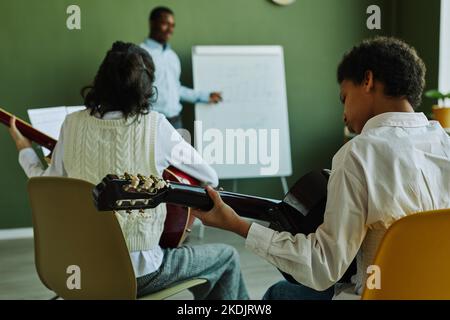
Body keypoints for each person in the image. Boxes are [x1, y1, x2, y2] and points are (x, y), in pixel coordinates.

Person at [191, 37, 450, 299]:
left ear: (368, 81)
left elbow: (322, 266)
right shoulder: (446, 144)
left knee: (278, 294)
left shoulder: (359, 153)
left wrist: (238, 225)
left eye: (344, 97)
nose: (344, 115)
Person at [9, 41, 248, 300]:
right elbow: (210, 178)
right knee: (226, 258)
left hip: (76, 266)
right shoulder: (155, 126)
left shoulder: (72, 124)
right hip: (137, 272)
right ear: (145, 87)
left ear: (100, 79)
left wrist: (24, 148)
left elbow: (46, 185)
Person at [140, 6, 222, 129]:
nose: (170, 30)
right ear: (152, 23)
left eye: (173, 25)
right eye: (165, 24)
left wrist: (205, 96)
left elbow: (176, 89)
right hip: (152, 123)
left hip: (176, 121)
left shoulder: (172, 57)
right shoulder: (139, 54)